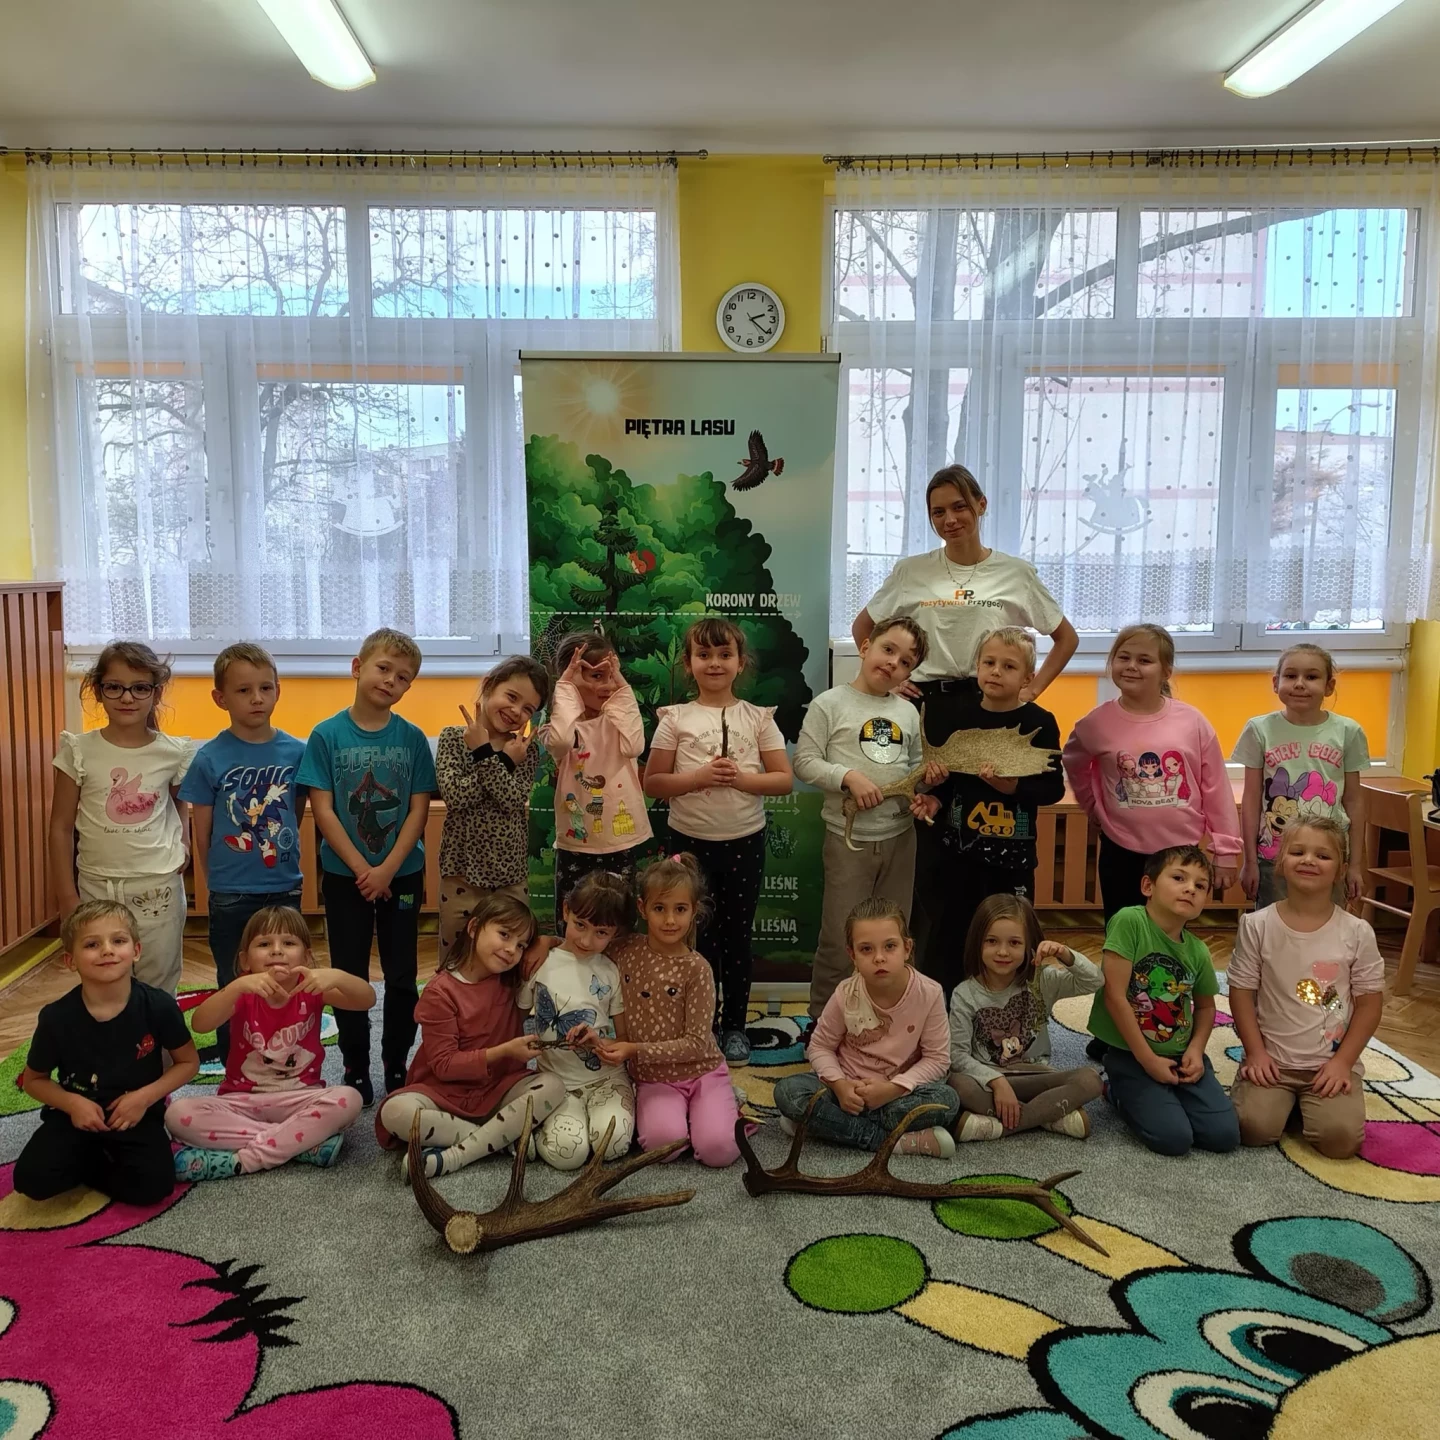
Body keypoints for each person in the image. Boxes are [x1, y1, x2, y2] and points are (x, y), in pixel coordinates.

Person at [852, 464, 1078, 968]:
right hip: (927, 708)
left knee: (987, 830)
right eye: (938, 512)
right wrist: (892, 679)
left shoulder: (1015, 572)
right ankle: (935, 975)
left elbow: (1066, 637)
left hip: (990, 709)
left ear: (981, 505)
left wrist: (1032, 689)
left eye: (959, 507)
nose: (950, 519)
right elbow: (864, 627)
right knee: (933, 843)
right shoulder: (912, 570)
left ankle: (999, 972)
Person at [642, 618, 793, 1065]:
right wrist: (699, 778)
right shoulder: (675, 719)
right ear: (689, 663)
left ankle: (735, 1026)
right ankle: (701, 1025)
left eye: (725, 654)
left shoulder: (759, 718)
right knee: (697, 936)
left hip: (744, 842)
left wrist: (742, 780)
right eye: (704, 654)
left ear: (740, 663)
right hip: (689, 844)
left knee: (737, 937)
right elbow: (653, 782)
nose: (714, 663)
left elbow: (783, 780)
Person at [296, 627, 437, 1105]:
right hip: (344, 877)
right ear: (357, 668)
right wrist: (363, 869)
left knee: (401, 976)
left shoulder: (412, 739)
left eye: (403, 677)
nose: (391, 681)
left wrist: (388, 870)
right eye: (383, 669)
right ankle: (355, 1065)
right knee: (348, 974)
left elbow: (418, 810)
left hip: (402, 874)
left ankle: (396, 1062)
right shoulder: (326, 735)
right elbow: (323, 810)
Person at [793, 614, 941, 1023]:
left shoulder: (908, 713)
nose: (894, 663)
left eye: (906, 661)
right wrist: (847, 777)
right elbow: (805, 762)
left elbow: (915, 771)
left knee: (892, 938)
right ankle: (824, 1023)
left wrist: (927, 788)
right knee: (840, 935)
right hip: (849, 842)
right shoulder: (829, 704)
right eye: (888, 649)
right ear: (865, 647)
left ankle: (887, 1022)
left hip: (901, 840)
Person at [166, 906, 372, 1179]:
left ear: (306, 957)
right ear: (245, 961)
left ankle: (246, 1159)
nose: (276, 951)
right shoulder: (243, 991)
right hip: (241, 1102)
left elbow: (366, 1000)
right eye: (264, 944)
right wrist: (236, 987)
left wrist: (337, 976)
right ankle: (300, 1144)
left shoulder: (312, 989)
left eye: (288, 943)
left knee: (349, 1099)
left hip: (300, 1099)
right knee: (177, 1114)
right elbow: (200, 1023)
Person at [15, 900, 199, 1204]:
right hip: (75, 1116)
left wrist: (144, 1098)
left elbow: (189, 1062)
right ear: (70, 960)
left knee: (155, 1187)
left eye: (118, 941)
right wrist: (73, 1104)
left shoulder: (159, 1006)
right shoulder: (56, 1017)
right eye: (92, 944)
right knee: (31, 1180)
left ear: (136, 951)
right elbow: (34, 1080)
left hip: (136, 1113)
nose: (107, 950)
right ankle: (92, 1157)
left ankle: (90, 1162)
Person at [919, 626, 1066, 999]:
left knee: (1011, 937)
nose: (996, 671)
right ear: (978, 667)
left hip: (1011, 861)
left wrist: (1012, 788)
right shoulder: (958, 716)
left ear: (1027, 678)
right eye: (989, 663)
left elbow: (1053, 789)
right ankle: (944, 1011)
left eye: (1009, 666)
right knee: (950, 935)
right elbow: (950, 779)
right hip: (958, 857)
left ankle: (1010, 1010)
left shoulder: (1040, 722)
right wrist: (935, 796)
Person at [376, 893, 565, 1177]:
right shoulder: (440, 991)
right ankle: (499, 1139)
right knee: (395, 1112)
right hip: (443, 1093)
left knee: (553, 1086)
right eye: (504, 935)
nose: (511, 950)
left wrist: (545, 941)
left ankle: (457, 1154)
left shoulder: (513, 977)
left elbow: (569, 944)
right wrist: (504, 1051)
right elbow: (444, 1065)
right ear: (474, 928)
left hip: (499, 1088)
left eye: (521, 945)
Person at [1063, 623, 1241, 922]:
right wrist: (1092, 804)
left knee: (1170, 931)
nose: (1132, 666)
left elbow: (1216, 788)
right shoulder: (1095, 723)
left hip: (1180, 853)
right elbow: (1074, 762)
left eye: (1144, 660)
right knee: (1122, 929)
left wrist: (1226, 851)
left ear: (1166, 671)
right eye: (1123, 657)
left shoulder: (1192, 722)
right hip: (1120, 850)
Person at [180, 642, 307, 1062]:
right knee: (233, 976)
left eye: (265, 688)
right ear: (221, 698)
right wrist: (215, 878)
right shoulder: (210, 758)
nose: (257, 698)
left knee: (285, 973)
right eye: (243, 690)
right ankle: (233, 1053)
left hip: (283, 884)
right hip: (231, 891)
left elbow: (296, 812)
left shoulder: (296, 752)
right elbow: (203, 829)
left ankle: (282, 1048)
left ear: (278, 691)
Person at [1229, 818, 1384, 1160]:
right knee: (1251, 1129)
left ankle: (1301, 1106)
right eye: (1298, 852)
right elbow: (1240, 993)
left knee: (1340, 1141)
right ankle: (1284, 1103)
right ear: (1281, 862)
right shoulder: (1256, 925)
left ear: (1340, 870)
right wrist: (1255, 1053)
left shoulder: (1357, 933)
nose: (1309, 860)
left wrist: (1343, 1063)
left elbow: (1370, 1005)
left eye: (1323, 856)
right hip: (1272, 1062)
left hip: (1328, 1065)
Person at [48, 642, 194, 994]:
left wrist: (184, 842)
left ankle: (157, 1032)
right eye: (115, 686)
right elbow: (60, 827)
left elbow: (179, 803)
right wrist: (67, 898)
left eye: (140, 687)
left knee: (158, 980)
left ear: (156, 693)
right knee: (103, 979)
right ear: (98, 690)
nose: (127, 697)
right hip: (97, 886)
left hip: (157, 885)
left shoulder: (173, 752)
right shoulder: (79, 751)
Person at [1086, 846, 1240, 1157]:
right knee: (1173, 1138)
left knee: (1224, 1136)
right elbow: (1115, 996)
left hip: (1179, 1053)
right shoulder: (1130, 921)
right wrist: (1147, 1060)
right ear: (1148, 886)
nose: (1190, 888)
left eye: (1200, 885)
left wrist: (1195, 1050)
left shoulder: (1198, 950)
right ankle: (1116, 1091)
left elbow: (1206, 1007)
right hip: (1131, 1054)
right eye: (1179, 878)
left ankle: (1165, 1095)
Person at [773, 897, 958, 1156]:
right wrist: (840, 1086)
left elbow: (937, 1059)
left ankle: (825, 1126)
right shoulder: (845, 993)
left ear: (907, 948)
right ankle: (888, 1142)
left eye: (890, 946)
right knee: (788, 1092)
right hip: (846, 1093)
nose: (879, 958)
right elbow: (820, 1046)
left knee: (948, 1100)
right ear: (852, 954)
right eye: (866, 949)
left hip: (897, 1095)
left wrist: (893, 1089)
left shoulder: (930, 993)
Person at [592, 854, 740, 1167]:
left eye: (680, 909)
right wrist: (547, 943)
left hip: (702, 1072)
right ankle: (692, 1118)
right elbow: (586, 944)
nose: (670, 920)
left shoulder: (697, 969)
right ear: (642, 908)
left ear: (694, 910)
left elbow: (696, 1044)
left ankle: (724, 1108)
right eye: (660, 908)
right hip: (654, 1079)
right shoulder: (625, 949)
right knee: (663, 1147)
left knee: (719, 1151)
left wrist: (634, 1049)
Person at [946, 894, 1103, 1141]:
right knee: (957, 1084)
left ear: (1030, 945)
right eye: (992, 941)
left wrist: (1065, 954)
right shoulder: (964, 994)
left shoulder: (1043, 980)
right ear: (977, 943)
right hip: (987, 1081)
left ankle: (999, 1126)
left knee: (1091, 1079)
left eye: (1014, 943)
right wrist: (997, 1082)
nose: (1003, 951)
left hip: (1038, 1076)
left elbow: (1095, 981)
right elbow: (957, 1055)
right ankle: (1049, 1115)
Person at [1233, 644, 1369, 908]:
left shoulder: (1348, 732)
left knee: (1326, 925)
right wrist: (1249, 861)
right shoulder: (1259, 729)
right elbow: (1251, 798)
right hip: (1274, 855)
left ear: (1329, 686)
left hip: (1328, 855)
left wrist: (1355, 865)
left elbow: (1354, 801)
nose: (1299, 684)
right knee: (1274, 925)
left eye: (1312, 676)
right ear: (1276, 683)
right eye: (1290, 675)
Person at [517, 870, 635, 1169]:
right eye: (580, 925)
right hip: (555, 1082)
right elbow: (514, 1023)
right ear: (566, 910)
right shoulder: (539, 962)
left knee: (613, 1144)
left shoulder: (611, 970)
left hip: (606, 1079)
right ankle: (534, 1132)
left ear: (615, 933)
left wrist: (598, 1043)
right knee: (568, 1154)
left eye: (601, 933)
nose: (586, 939)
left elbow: (624, 1039)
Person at [434, 655, 550, 953]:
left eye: (528, 709)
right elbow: (456, 797)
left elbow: (512, 799)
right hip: (461, 872)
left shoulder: (524, 750)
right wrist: (501, 761)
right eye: (511, 697)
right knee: (456, 954)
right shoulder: (452, 738)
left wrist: (486, 754)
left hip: (509, 876)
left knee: (507, 956)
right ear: (488, 686)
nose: (516, 711)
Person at [545, 630, 653, 922]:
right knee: (572, 918)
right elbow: (560, 742)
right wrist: (566, 687)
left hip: (620, 842)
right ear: (570, 679)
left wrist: (622, 687)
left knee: (619, 921)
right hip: (576, 845)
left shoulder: (618, 720)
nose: (607, 685)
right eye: (596, 676)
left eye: (611, 675)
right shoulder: (560, 727)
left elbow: (635, 746)